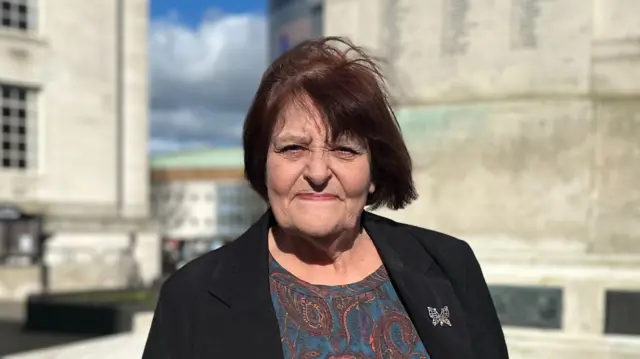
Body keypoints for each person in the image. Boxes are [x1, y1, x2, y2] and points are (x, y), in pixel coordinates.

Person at [142, 37, 509, 359]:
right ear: (263, 164)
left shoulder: (448, 265)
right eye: (293, 148)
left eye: (345, 149)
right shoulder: (191, 298)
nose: (318, 173)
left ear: (374, 172)